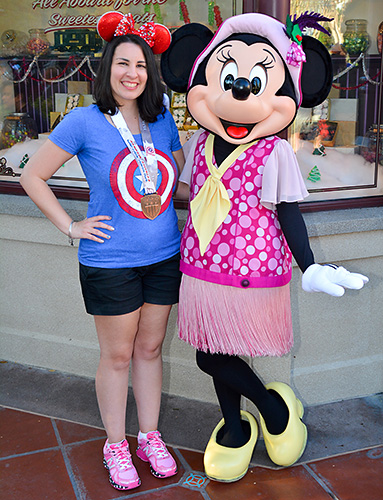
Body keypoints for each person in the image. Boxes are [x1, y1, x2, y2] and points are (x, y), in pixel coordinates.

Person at [161, 13, 369, 483]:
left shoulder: (273, 151)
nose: (238, 91)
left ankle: (269, 409)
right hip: (199, 267)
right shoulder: (197, 143)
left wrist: (310, 267)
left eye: (255, 81)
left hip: (251, 269)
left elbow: (288, 212)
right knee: (212, 346)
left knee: (215, 353)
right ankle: (240, 422)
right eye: (228, 77)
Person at [20, 11, 184, 492]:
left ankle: (149, 437)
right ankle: (116, 444)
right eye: (123, 63)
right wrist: (71, 226)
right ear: (108, 68)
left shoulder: (161, 118)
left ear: (150, 73)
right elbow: (33, 175)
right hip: (110, 261)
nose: (132, 73)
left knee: (150, 350)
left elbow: (172, 179)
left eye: (141, 65)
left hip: (163, 254)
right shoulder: (83, 121)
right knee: (117, 357)